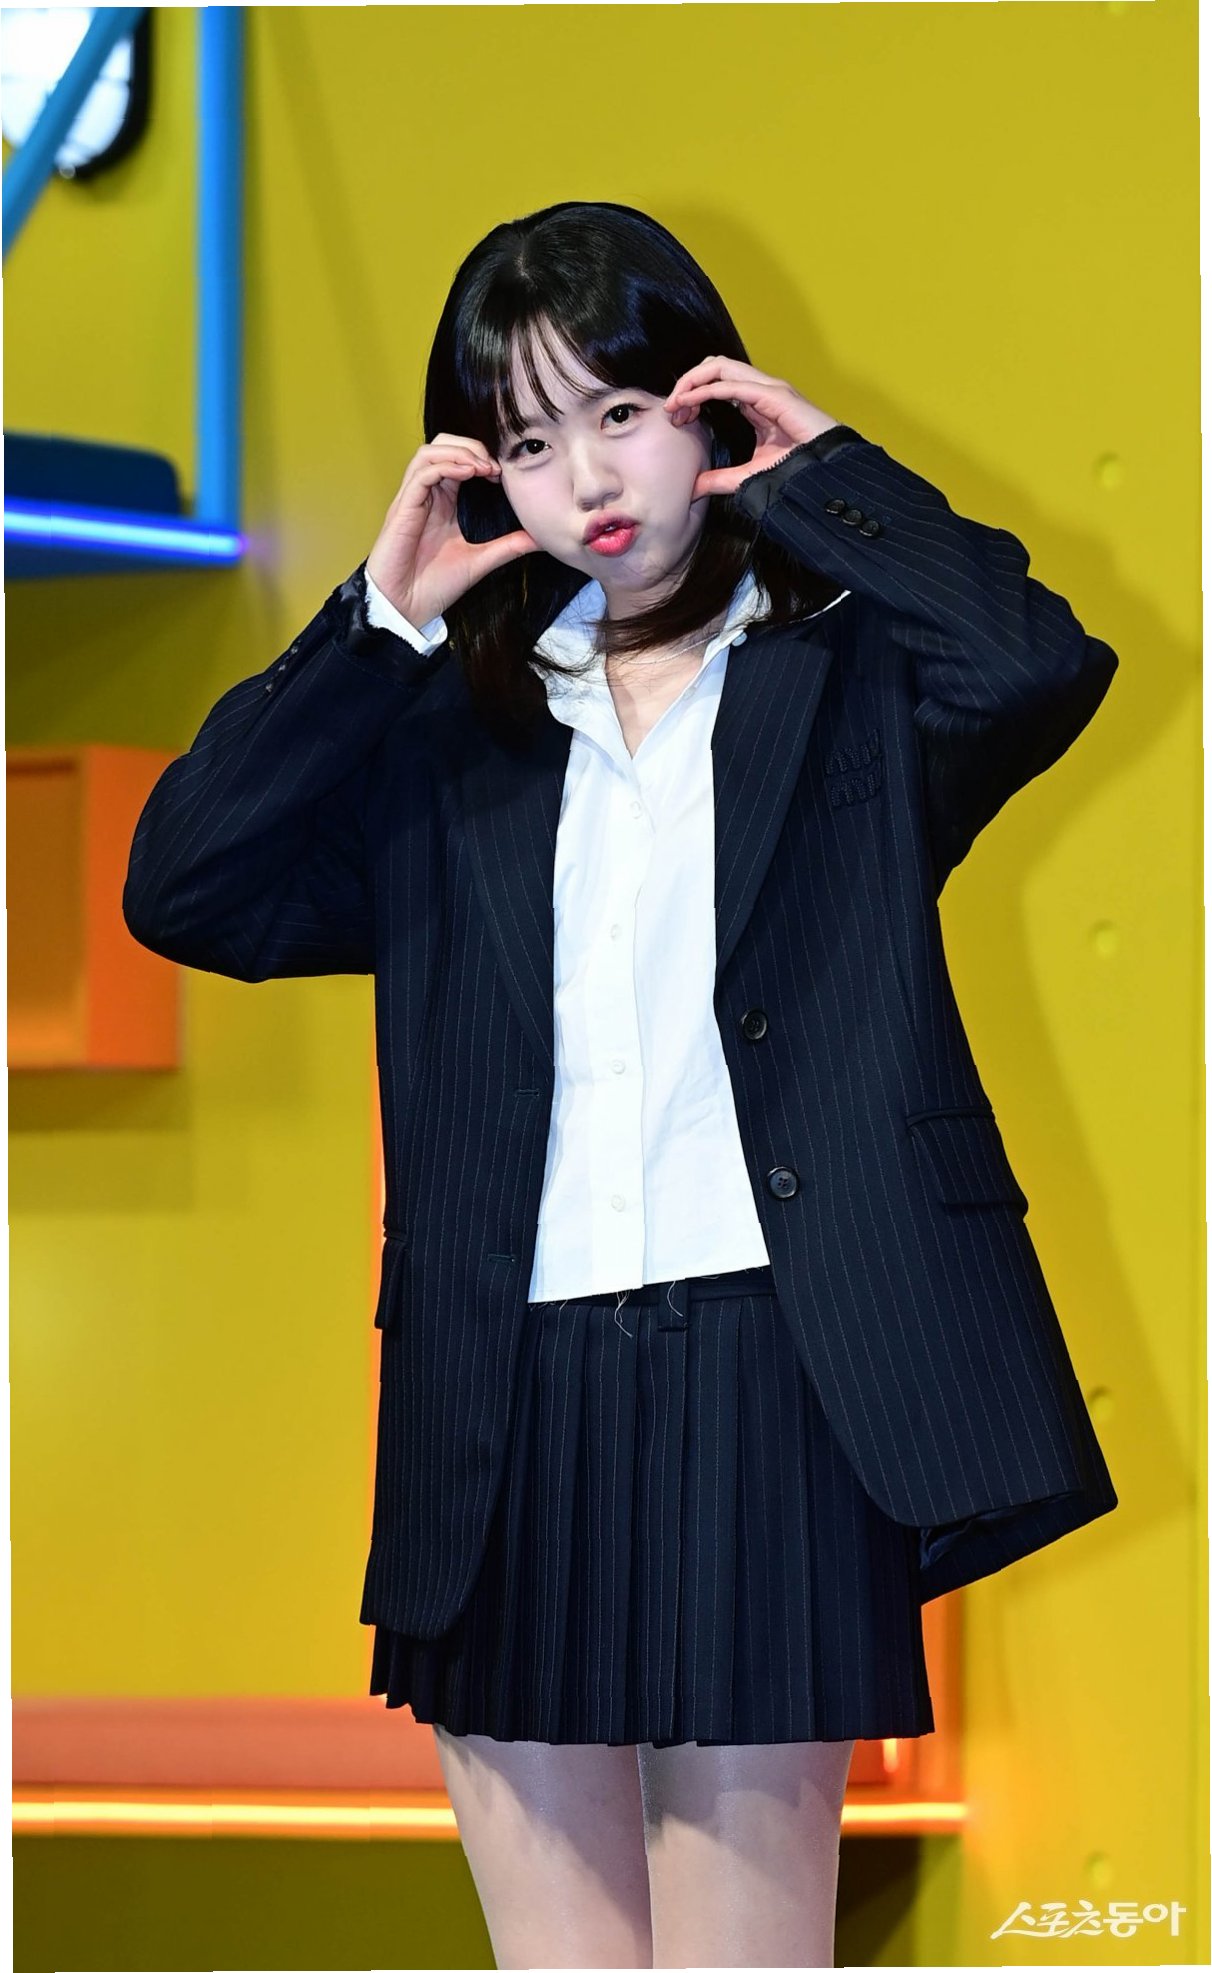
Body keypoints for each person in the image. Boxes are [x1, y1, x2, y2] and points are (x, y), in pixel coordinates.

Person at [123, 200, 1120, 1970]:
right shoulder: (448, 744)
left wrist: (826, 478)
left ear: (705, 404)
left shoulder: (845, 686)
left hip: (772, 1366)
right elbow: (184, 885)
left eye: (621, 411)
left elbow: (1035, 660)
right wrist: (377, 619)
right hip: (504, 1396)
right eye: (526, 440)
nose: (586, 477)